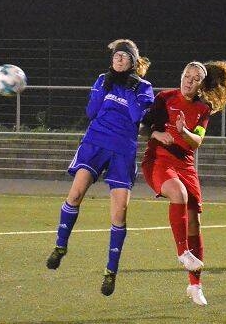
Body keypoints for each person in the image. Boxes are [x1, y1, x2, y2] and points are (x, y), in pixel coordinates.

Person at [46, 39, 155, 296]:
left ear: (132, 61)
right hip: (95, 142)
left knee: (119, 214)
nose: (118, 58)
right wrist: (103, 88)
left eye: (124, 56)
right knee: (75, 194)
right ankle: (60, 246)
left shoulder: (143, 87)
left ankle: (110, 271)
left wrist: (129, 91)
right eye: (116, 55)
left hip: (122, 150)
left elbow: (137, 118)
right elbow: (91, 111)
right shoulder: (102, 80)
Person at [140, 61, 226, 306]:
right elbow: (143, 126)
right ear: (181, 76)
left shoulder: (203, 109)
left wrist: (183, 132)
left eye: (195, 79)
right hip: (159, 160)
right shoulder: (165, 98)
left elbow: (197, 142)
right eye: (187, 76)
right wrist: (157, 133)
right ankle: (183, 252)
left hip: (186, 165)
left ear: (201, 84)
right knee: (178, 194)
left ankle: (195, 286)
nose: (189, 81)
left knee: (195, 222)